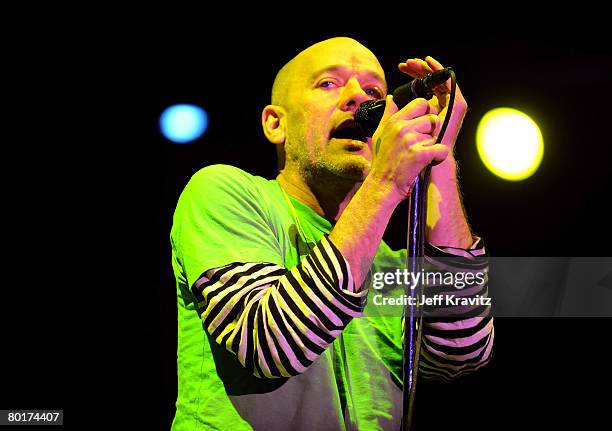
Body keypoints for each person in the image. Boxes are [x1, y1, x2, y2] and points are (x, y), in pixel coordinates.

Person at [170, 36, 494, 430]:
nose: (358, 97)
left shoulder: (390, 262)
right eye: (328, 83)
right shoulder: (224, 192)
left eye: (374, 90)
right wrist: (386, 183)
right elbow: (272, 344)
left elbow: (461, 351)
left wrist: (438, 154)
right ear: (276, 123)